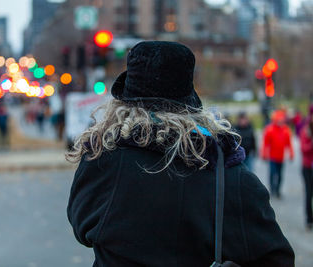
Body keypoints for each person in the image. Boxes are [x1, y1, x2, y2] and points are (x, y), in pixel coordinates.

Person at [66, 41, 294, 266]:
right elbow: (276, 257)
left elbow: (81, 227)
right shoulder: (224, 169)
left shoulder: (101, 159)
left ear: (123, 103)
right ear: (190, 104)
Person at [261, 110, 294, 198]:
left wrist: (291, 153)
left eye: (281, 120)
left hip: (281, 157)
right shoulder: (270, 129)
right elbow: (265, 143)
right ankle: (272, 189)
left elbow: (289, 143)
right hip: (272, 157)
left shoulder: (286, 130)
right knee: (272, 173)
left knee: (279, 174)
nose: (280, 121)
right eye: (278, 120)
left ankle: (278, 190)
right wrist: (264, 154)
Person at [299, 114, 313, 231]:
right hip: (308, 167)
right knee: (309, 193)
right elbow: (303, 148)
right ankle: (309, 219)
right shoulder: (306, 131)